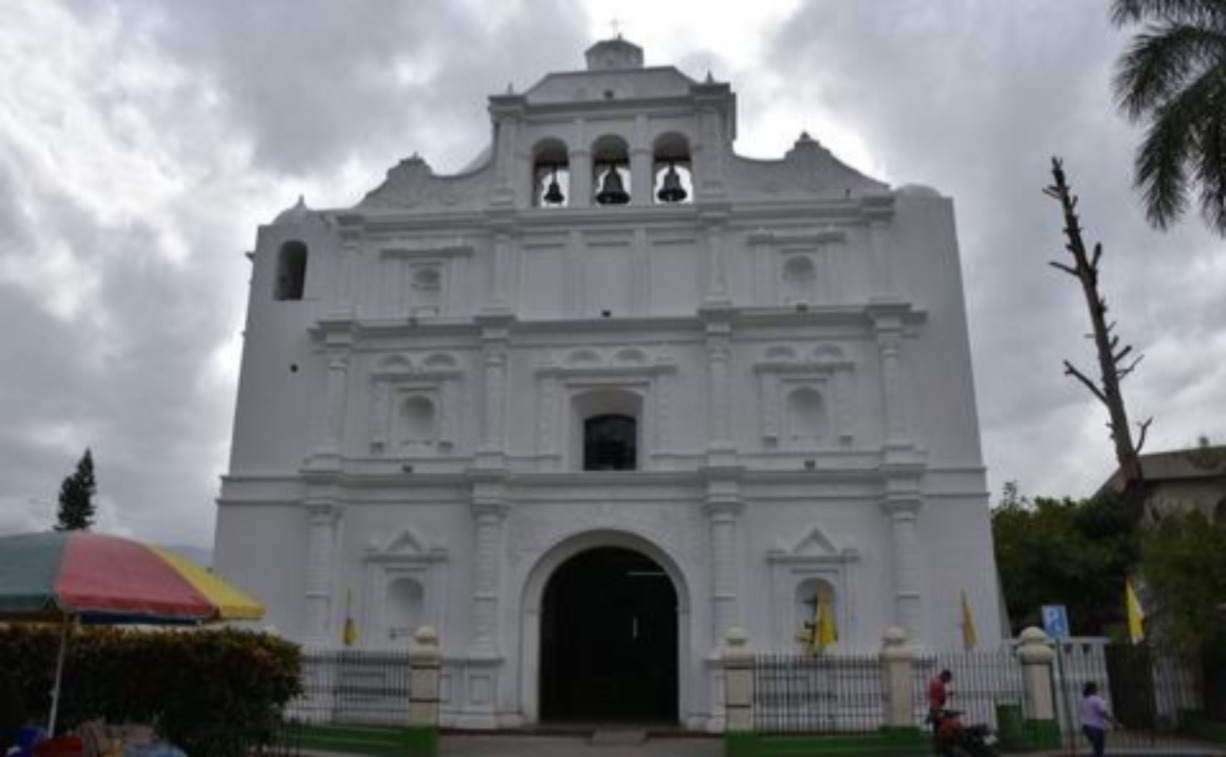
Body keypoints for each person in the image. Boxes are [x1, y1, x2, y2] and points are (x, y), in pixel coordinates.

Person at [1079, 681, 1118, 757]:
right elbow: (1103, 713)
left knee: (1096, 748)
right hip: (1097, 727)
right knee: (1099, 750)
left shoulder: (1082, 700)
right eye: (1096, 688)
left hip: (1086, 727)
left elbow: (1082, 712)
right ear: (1094, 689)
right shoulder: (1097, 699)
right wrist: (1114, 722)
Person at [927, 669, 953, 750]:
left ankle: (939, 746)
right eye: (948, 679)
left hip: (936, 708)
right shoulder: (937, 683)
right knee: (939, 728)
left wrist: (946, 694)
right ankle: (939, 747)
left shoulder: (937, 682)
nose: (948, 681)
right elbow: (936, 695)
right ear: (945, 676)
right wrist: (947, 694)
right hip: (936, 708)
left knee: (938, 727)